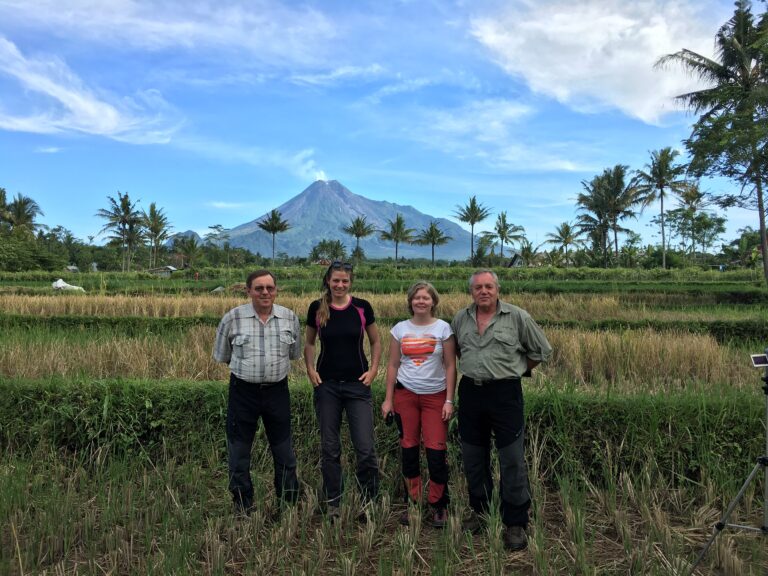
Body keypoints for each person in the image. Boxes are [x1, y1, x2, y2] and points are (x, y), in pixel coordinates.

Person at [452, 269, 552, 551]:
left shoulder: (517, 317)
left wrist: (517, 370)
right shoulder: (461, 318)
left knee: (511, 458)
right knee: (473, 455)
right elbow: (459, 351)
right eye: (478, 287)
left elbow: (541, 350)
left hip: (505, 393)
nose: (483, 291)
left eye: (489, 287)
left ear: (497, 289)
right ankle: (481, 511)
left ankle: (516, 522)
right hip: (471, 391)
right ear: (471, 291)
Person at [213, 269, 301, 515]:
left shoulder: (289, 318)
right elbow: (222, 355)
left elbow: (294, 355)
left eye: (269, 288)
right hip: (243, 393)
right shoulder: (232, 319)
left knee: (284, 451)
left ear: (276, 290)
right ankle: (242, 505)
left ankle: (288, 505)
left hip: (277, 392)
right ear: (248, 290)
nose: (265, 292)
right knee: (239, 451)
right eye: (259, 288)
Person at [304, 261, 381, 519]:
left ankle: (369, 501)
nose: (340, 285)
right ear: (328, 281)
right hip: (327, 387)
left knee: (365, 447)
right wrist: (310, 368)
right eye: (335, 280)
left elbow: (376, 340)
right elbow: (309, 342)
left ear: (351, 282)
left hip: (357, 386)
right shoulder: (317, 308)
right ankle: (334, 503)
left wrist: (374, 370)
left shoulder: (362, 307)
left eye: (344, 281)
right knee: (329, 447)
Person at [381, 281, 456, 528]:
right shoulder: (399, 329)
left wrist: (448, 400)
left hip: (435, 397)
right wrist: (388, 399)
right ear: (410, 302)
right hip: (406, 395)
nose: (421, 302)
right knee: (409, 450)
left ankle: (438, 505)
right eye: (416, 298)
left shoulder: (443, 329)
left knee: (436, 451)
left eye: (425, 298)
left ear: (433, 301)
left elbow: (450, 365)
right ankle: (413, 502)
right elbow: (392, 365)